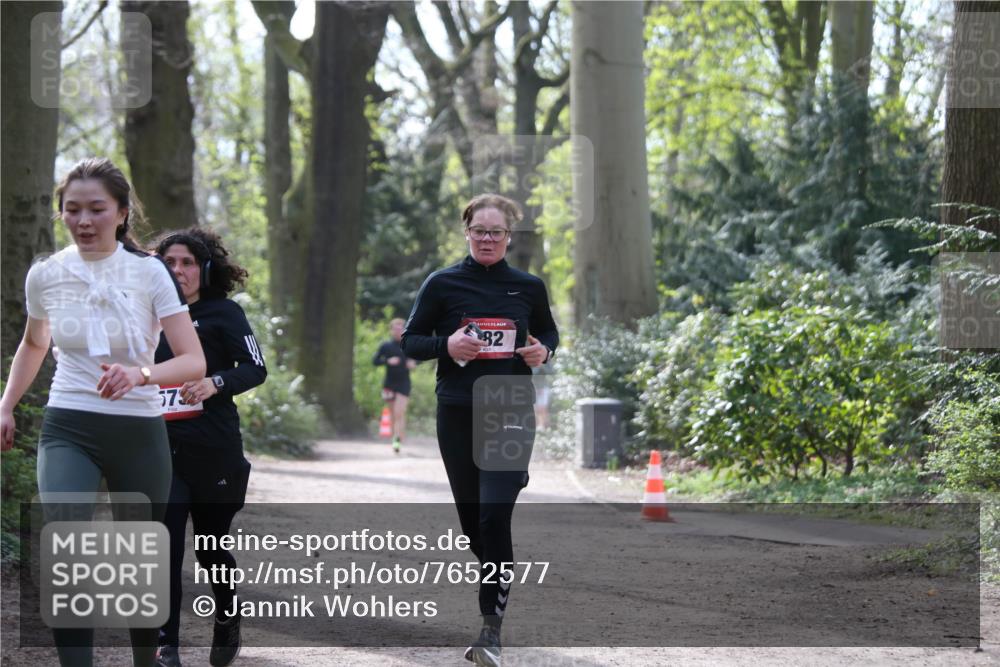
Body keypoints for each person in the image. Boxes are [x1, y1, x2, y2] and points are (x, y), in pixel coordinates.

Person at [0, 157, 206, 667]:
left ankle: (145, 659)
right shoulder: (46, 274)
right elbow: (33, 345)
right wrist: (5, 406)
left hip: (138, 430)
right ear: (61, 214)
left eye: (96, 209)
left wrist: (140, 374)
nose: (83, 220)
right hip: (68, 424)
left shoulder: (149, 273)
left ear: (120, 213)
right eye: (72, 210)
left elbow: (192, 359)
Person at [401, 193, 558, 667]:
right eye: (479, 231)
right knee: (474, 527)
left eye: (497, 232)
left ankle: (491, 632)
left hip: (508, 406)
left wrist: (544, 352)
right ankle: (494, 583)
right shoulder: (442, 283)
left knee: (493, 517)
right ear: (466, 232)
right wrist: (446, 345)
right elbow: (410, 342)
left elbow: (549, 334)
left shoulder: (528, 287)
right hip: (457, 410)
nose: (487, 239)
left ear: (509, 237)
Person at [151, 228, 266, 667]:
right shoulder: (148, 314)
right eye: (170, 263)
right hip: (161, 448)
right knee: (164, 545)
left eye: (187, 263)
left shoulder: (225, 313)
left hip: (214, 447)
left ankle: (227, 616)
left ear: (205, 269)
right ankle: (167, 646)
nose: (178, 271)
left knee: (210, 547)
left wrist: (214, 382)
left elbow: (255, 368)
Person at [373, 317, 416, 453]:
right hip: (389, 383)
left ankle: (397, 440)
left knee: (399, 412)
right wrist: (387, 361)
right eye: (395, 329)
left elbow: (420, 357)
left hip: (404, 383)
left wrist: (413, 363)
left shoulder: (408, 344)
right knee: (392, 414)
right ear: (391, 330)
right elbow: (375, 361)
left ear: (404, 330)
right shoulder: (386, 346)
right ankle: (396, 438)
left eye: (401, 328)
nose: (398, 331)